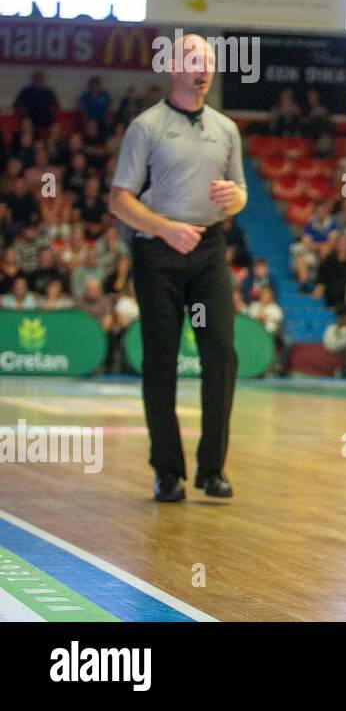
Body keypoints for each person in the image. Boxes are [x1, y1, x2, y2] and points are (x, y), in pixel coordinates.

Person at [108, 34, 247, 502]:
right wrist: (166, 228)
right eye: (192, 59)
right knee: (161, 360)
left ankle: (213, 469)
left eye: (208, 61)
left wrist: (237, 198)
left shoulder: (227, 129)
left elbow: (240, 192)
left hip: (208, 250)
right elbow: (119, 199)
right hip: (158, 252)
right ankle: (168, 471)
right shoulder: (146, 127)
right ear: (172, 67)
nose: (202, 68)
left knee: (222, 355)